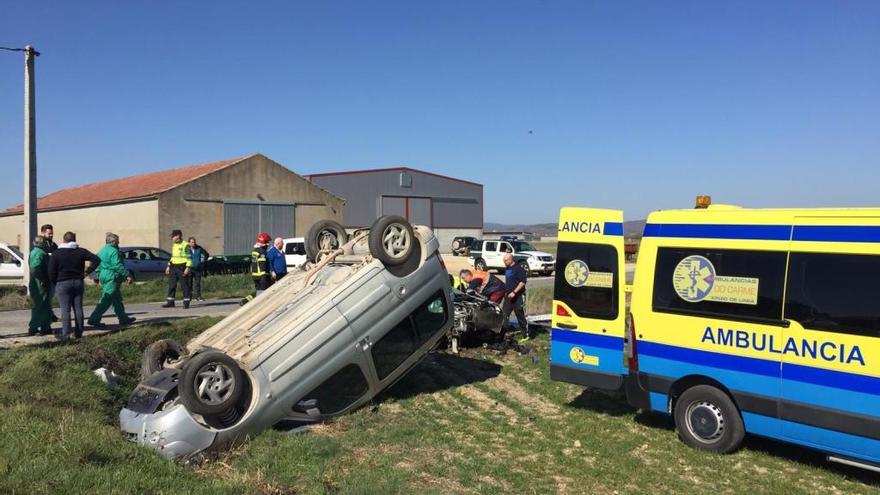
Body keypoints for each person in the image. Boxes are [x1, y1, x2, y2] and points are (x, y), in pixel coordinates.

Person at [48, 232, 100, 340]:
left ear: (64, 240)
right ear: (74, 240)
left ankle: (66, 334)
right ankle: (78, 333)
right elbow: (97, 259)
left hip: (62, 283)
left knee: (65, 310)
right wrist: (87, 272)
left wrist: (55, 281)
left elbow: (51, 271)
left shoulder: (57, 253)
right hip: (78, 282)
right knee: (78, 308)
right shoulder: (81, 251)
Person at [87, 233, 136, 327]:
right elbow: (117, 265)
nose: (119, 242)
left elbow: (97, 265)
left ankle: (123, 318)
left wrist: (100, 275)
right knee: (107, 299)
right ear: (113, 241)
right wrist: (127, 274)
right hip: (112, 276)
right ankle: (94, 319)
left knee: (116, 299)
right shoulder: (114, 251)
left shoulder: (101, 251)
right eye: (118, 241)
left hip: (104, 276)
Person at [27, 235, 53, 335]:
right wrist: (44, 279)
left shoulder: (37, 252)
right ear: (43, 244)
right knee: (39, 306)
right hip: (39, 284)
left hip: (40, 283)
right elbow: (35, 268)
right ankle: (33, 328)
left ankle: (45, 327)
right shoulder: (39, 253)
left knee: (45, 306)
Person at [501, 253, 530, 341]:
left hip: (518, 296)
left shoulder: (519, 269)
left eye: (505, 260)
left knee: (520, 315)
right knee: (504, 315)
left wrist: (514, 292)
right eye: (503, 260)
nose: (504, 262)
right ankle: (502, 334)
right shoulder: (507, 268)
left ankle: (526, 335)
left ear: (511, 259)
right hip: (508, 296)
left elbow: (522, 282)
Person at [162, 229, 192, 308]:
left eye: (173, 236)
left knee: (184, 285)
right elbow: (173, 256)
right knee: (172, 284)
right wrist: (168, 266)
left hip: (182, 266)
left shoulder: (186, 245)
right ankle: (170, 302)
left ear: (178, 236)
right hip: (173, 266)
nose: (171, 238)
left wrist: (187, 268)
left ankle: (186, 302)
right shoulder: (174, 245)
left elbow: (189, 257)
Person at [240, 233, 272, 305]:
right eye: (267, 243)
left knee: (258, 291)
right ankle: (258, 306)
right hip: (261, 276)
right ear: (264, 243)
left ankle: (246, 300)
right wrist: (264, 276)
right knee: (262, 293)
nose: (268, 245)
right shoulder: (262, 252)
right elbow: (262, 265)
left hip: (255, 275)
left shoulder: (255, 250)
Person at [40, 224, 59, 322]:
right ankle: (49, 315)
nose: (51, 235)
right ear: (43, 233)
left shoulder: (53, 244)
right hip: (45, 274)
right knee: (46, 296)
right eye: (49, 233)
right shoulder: (41, 244)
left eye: (52, 233)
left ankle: (50, 314)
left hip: (53, 273)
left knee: (50, 296)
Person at [188, 237, 209, 301]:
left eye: (194, 242)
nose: (193, 243)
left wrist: (203, 262)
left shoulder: (199, 248)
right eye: (192, 242)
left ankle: (198, 296)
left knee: (197, 283)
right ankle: (189, 297)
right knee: (189, 283)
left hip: (198, 268)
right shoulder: (187, 249)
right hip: (189, 268)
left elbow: (206, 254)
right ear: (189, 242)